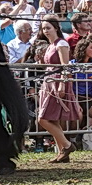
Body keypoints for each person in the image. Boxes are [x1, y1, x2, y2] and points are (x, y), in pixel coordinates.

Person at [33, 17, 78, 160]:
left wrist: (63, 84)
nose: (45, 31)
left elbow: (65, 66)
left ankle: (66, 145)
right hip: (49, 81)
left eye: (48, 28)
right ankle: (62, 152)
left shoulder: (61, 43)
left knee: (43, 119)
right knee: (52, 119)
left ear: (56, 28)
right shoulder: (50, 45)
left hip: (58, 82)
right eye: (44, 28)